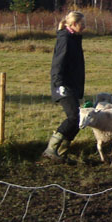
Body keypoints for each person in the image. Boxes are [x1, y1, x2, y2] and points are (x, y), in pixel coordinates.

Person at [42, 10, 86, 163]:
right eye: (82, 23)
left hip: (71, 85)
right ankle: (51, 149)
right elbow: (58, 63)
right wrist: (59, 84)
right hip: (63, 85)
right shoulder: (65, 39)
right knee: (74, 117)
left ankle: (61, 153)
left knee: (78, 119)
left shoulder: (74, 38)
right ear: (74, 24)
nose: (84, 26)